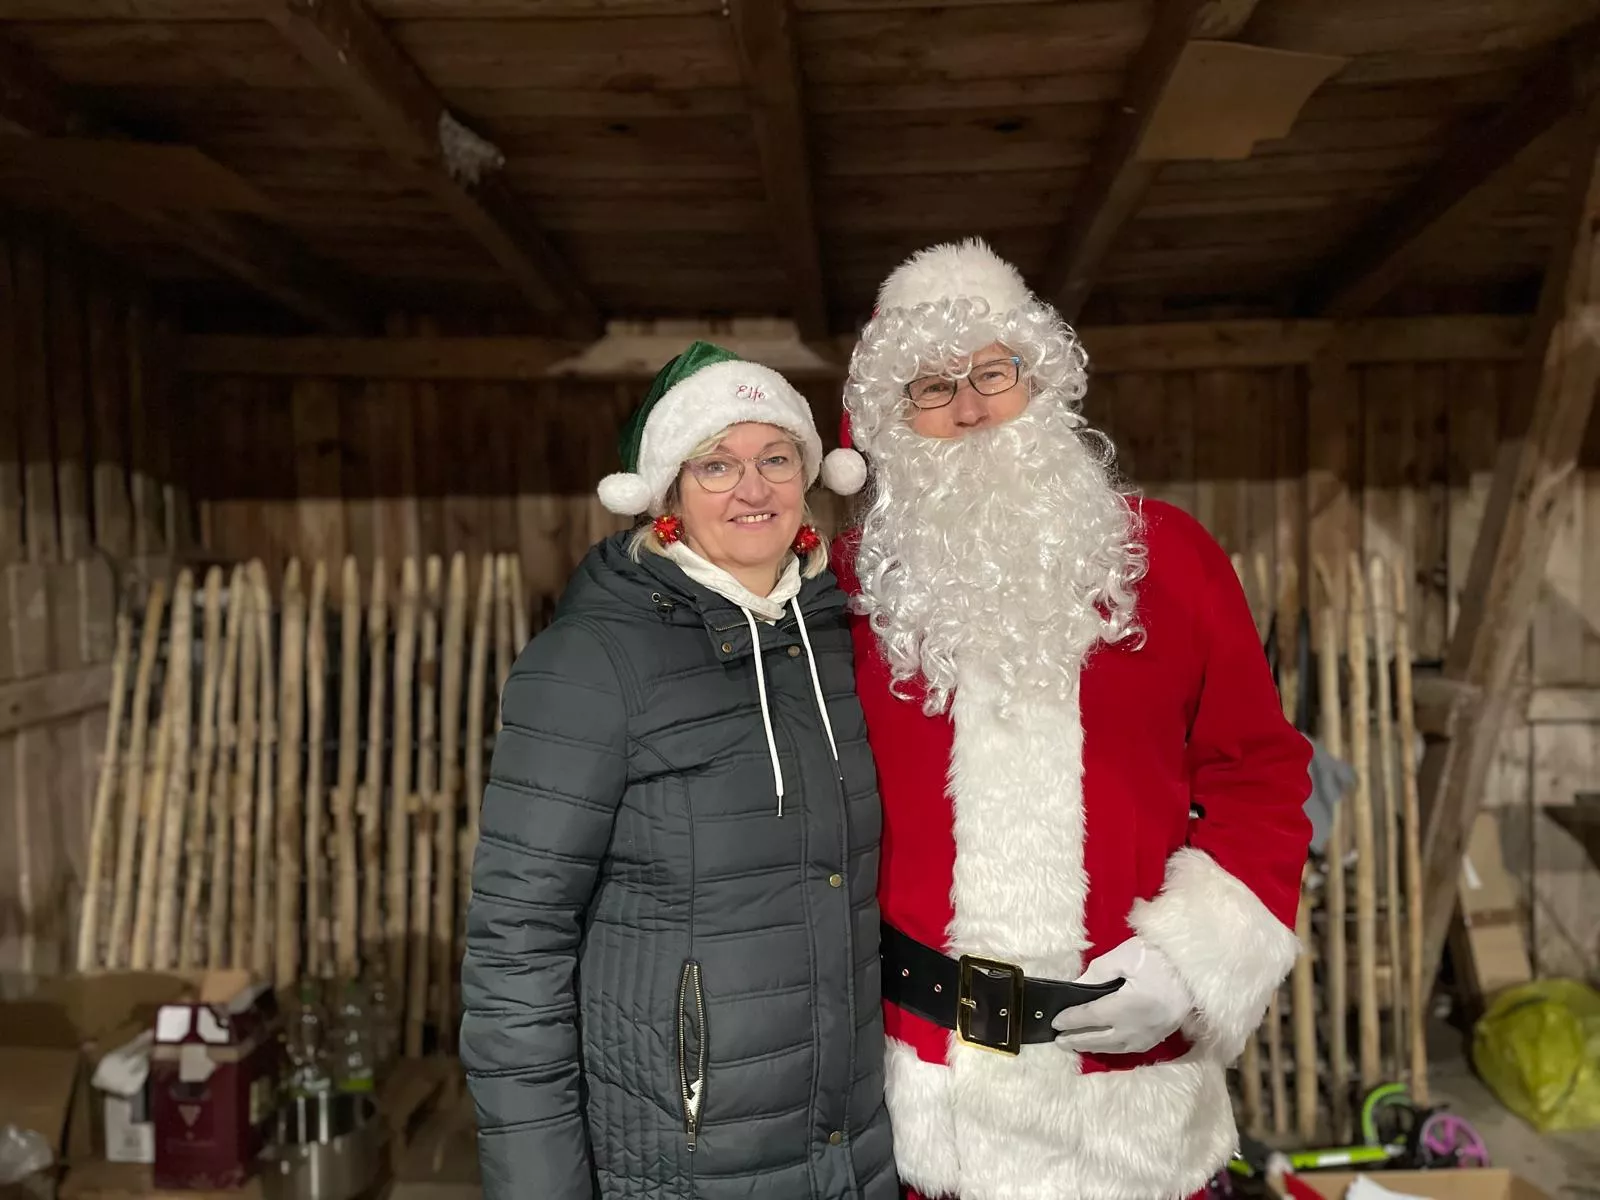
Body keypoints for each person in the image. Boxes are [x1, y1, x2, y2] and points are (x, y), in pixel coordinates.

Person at [824, 239, 1314, 1200]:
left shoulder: (1168, 559)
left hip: (1129, 1102)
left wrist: (1193, 960)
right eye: (931, 387)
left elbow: (1259, 773)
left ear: (1039, 380)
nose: (970, 409)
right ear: (888, 422)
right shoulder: (852, 595)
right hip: (925, 1100)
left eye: (991, 373)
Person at [459, 341, 890, 1200]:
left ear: (810, 476)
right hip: (679, 1162)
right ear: (667, 494)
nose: (753, 488)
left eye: (776, 459)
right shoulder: (592, 662)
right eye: (716, 465)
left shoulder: (841, 640)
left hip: (851, 1155)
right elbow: (517, 948)